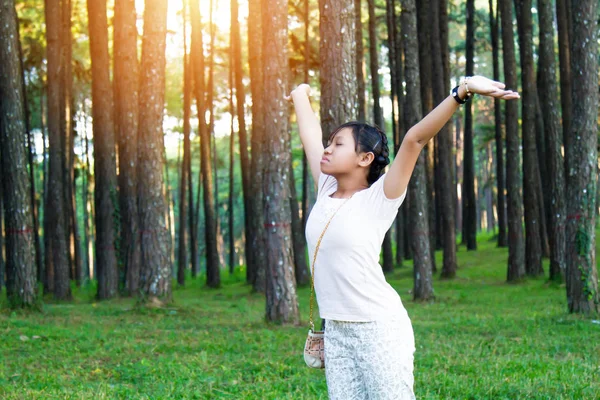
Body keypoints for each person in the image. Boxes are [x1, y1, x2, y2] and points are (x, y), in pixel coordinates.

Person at [286, 76, 519, 400]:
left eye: (338, 144)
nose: (327, 148)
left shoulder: (380, 197)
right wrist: (300, 94)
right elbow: (309, 135)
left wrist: (462, 90)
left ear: (364, 158)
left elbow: (414, 140)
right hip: (336, 331)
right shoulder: (326, 189)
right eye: (330, 142)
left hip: (377, 328)